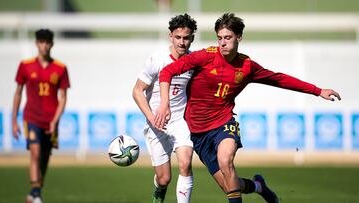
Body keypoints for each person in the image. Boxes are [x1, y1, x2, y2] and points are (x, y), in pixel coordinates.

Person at [156, 13, 341, 203]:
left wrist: (318, 91)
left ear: (239, 37)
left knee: (225, 159)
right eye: (220, 38)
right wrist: (164, 104)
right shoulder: (204, 56)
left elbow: (278, 79)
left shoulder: (247, 66)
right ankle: (258, 186)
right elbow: (167, 71)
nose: (223, 43)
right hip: (198, 132)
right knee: (230, 184)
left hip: (223, 123)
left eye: (227, 38)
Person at [132, 13, 197, 203]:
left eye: (186, 38)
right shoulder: (157, 59)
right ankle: (159, 191)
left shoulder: (194, 61)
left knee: (185, 163)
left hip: (180, 122)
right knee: (164, 179)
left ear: (192, 37)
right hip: (157, 124)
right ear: (171, 36)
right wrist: (152, 118)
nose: (182, 42)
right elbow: (137, 91)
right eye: (178, 37)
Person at [12, 29, 70, 203]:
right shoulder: (25, 65)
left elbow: (63, 98)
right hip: (32, 117)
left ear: (52, 44)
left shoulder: (60, 68)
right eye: (41, 41)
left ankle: (34, 191)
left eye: (47, 42)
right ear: (36, 43)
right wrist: (13, 120)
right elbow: (18, 93)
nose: (44, 45)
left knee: (45, 156)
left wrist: (55, 120)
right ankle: (36, 193)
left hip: (51, 121)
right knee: (35, 152)